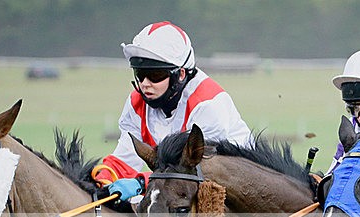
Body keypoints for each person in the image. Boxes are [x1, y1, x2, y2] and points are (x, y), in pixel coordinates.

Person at [94, 21, 251, 201]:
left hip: (237, 191)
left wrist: (139, 183)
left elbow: (194, 172)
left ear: (181, 74)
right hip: (181, 188)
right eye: (140, 73)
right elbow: (125, 157)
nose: (145, 83)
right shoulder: (137, 102)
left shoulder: (208, 104)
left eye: (155, 75)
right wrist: (102, 180)